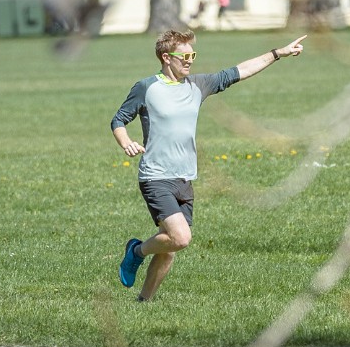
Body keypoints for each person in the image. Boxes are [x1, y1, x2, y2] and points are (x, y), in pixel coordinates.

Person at [111, 26, 304, 302]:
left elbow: (239, 71)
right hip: (156, 175)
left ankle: (144, 302)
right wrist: (125, 141)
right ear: (166, 58)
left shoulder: (198, 85)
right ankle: (136, 252)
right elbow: (118, 120)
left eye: (193, 55)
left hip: (185, 178)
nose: (190, 60)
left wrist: (278, 54)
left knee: (169, 248)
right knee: (181, 238)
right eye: (185, 56)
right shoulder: (146, 88)